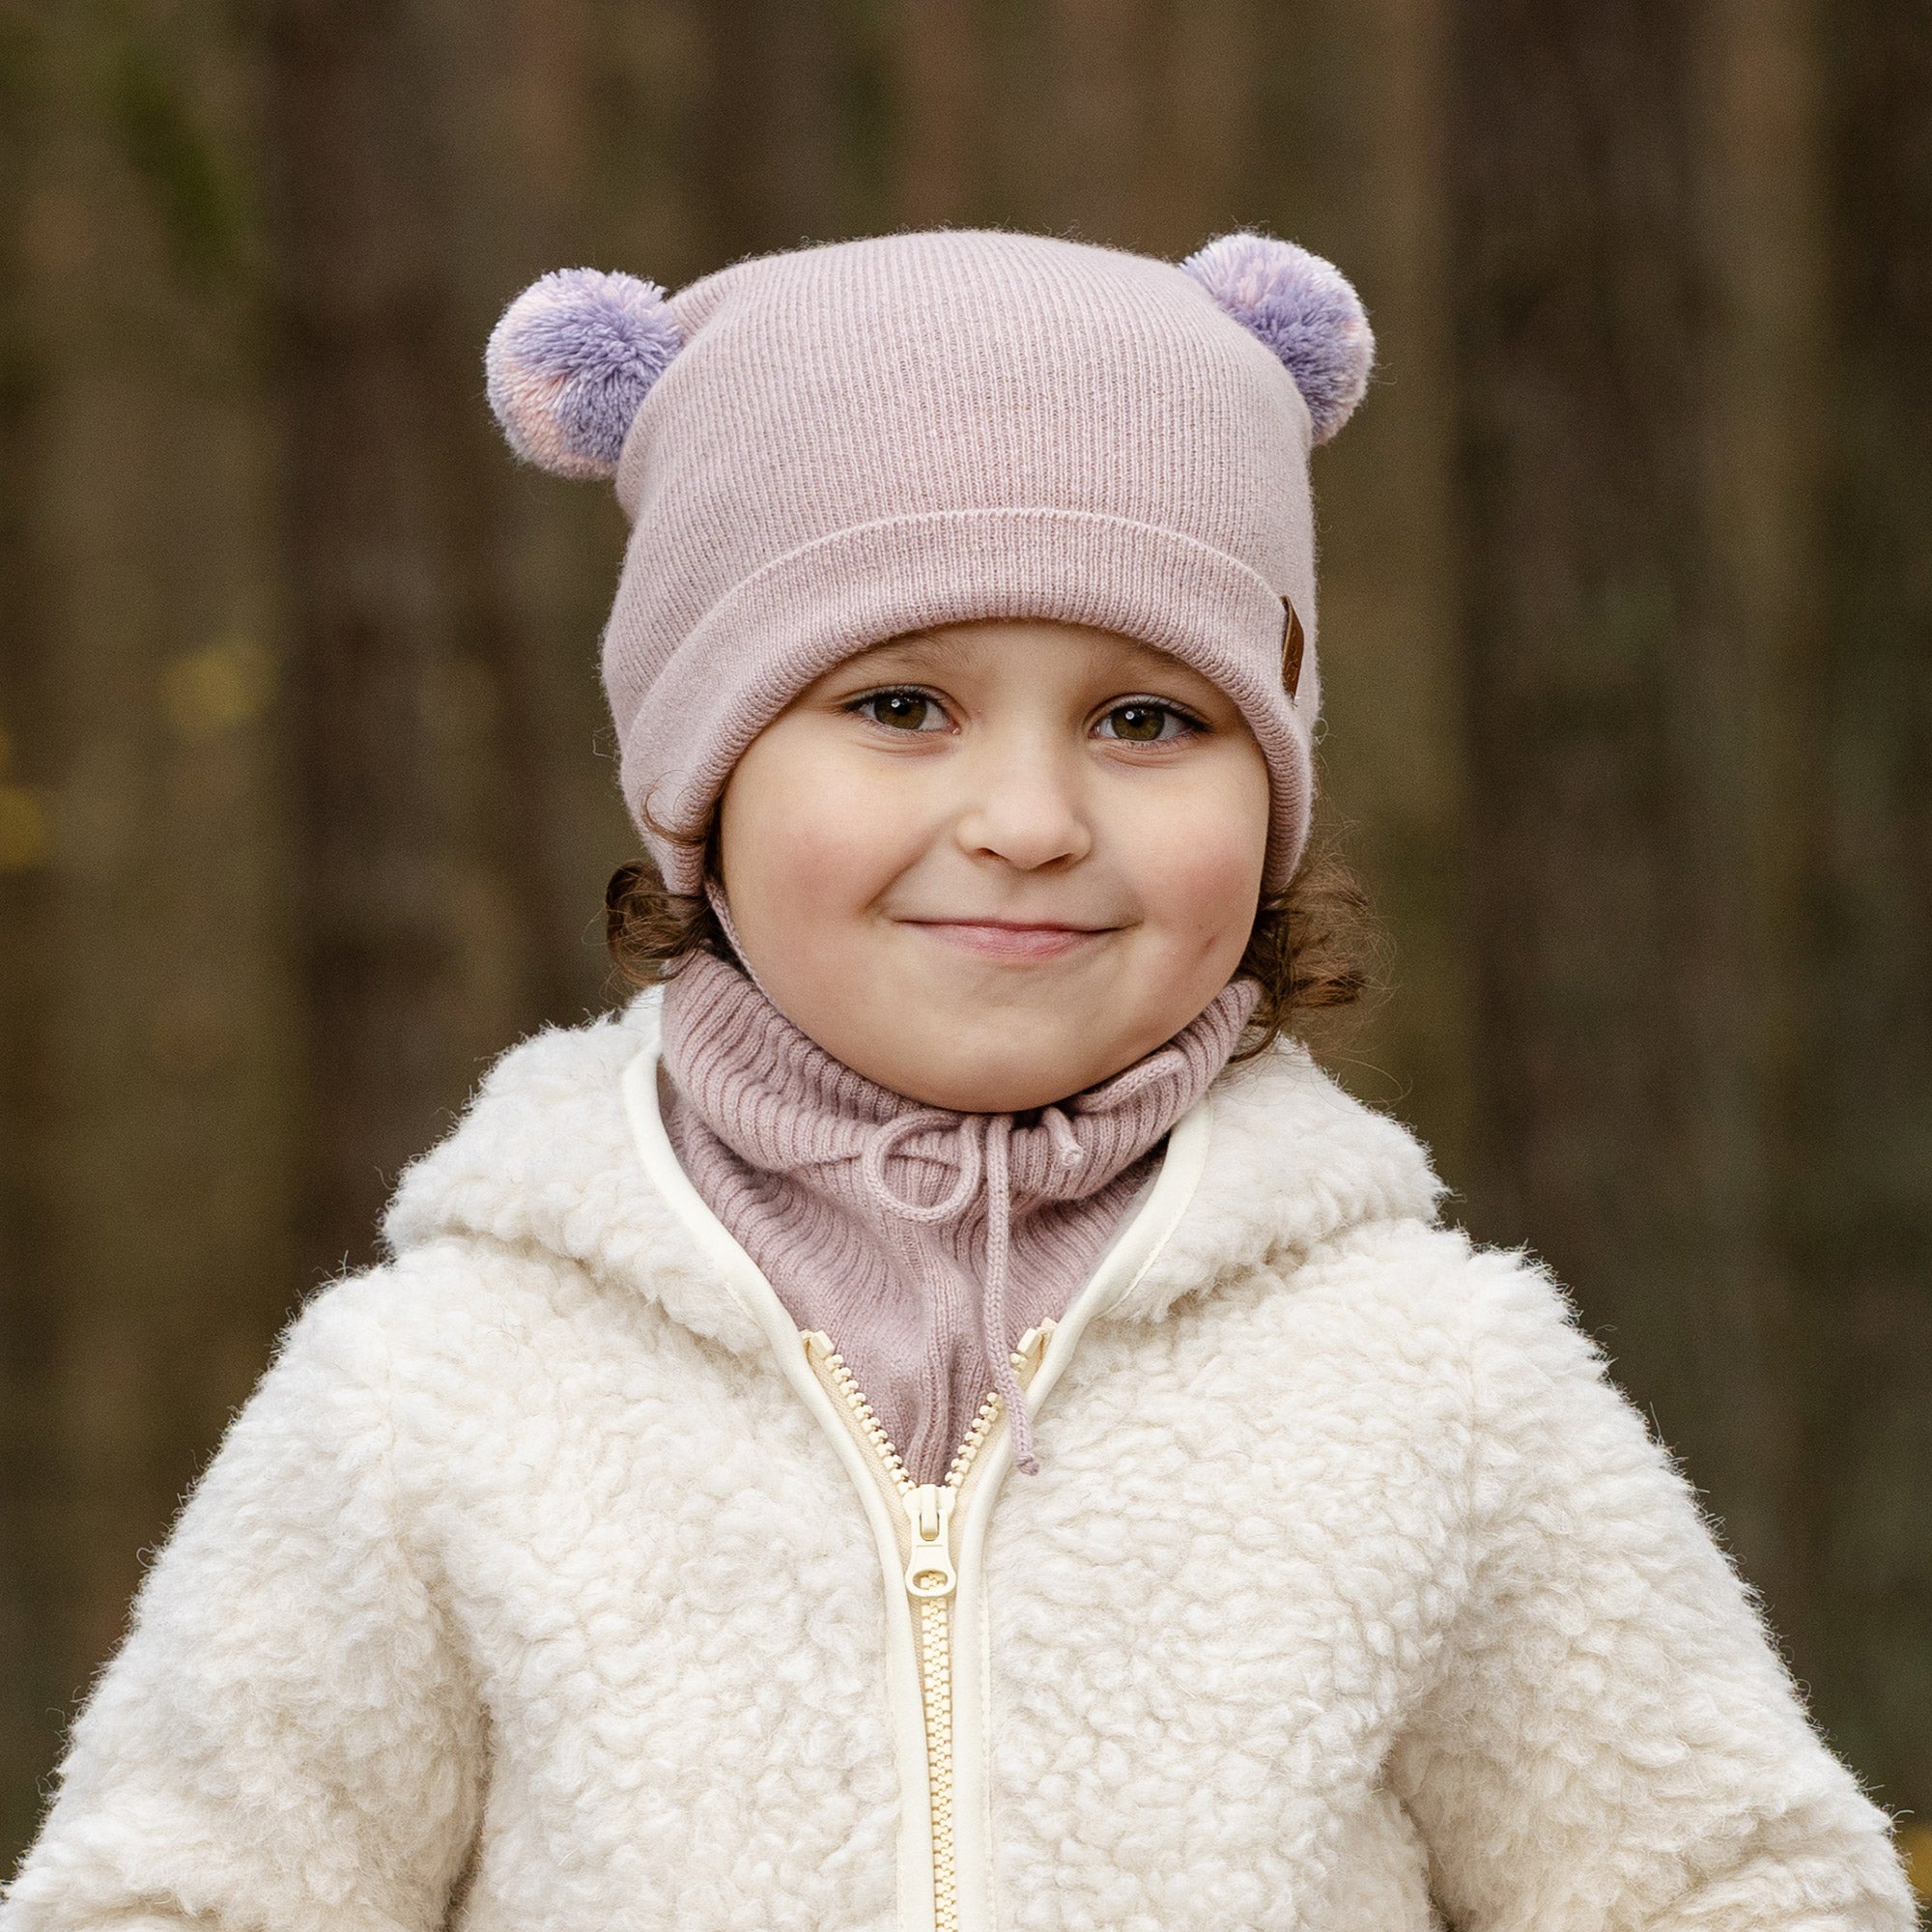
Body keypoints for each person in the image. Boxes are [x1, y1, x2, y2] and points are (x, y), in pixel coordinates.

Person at [1, 231, 1914, 1932]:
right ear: (699, 774)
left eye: (1146, 717)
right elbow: (170, 1899)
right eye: (898, 705)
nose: (1026, 818)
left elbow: (1740, 1885)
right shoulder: (431, 1391)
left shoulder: (1438, 1381)